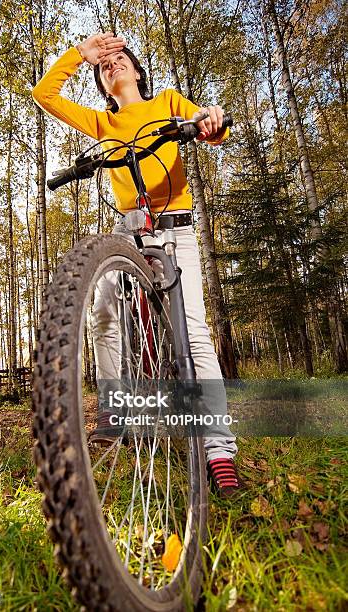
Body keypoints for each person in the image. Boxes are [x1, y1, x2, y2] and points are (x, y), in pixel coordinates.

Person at [33, 31, 243, 498]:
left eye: (120, 59)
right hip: (129, 232)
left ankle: (218, 451)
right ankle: (117, 410)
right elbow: (43, 95)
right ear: (102, 82)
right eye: (104, 65)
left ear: (137, 68)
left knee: (193, 329)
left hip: (176, 226)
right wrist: (79, 54)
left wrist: (211, 121)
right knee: (104, 310)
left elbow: (208, 121)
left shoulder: (164, 101)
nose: (113, 65)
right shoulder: (103, 123)